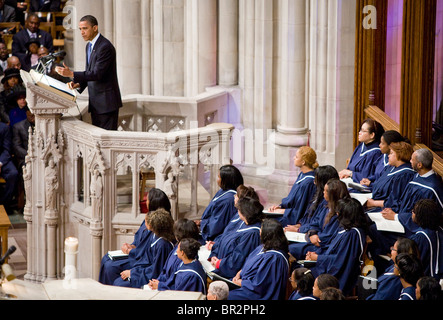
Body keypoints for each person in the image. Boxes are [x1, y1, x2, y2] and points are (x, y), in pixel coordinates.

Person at [55, 15, 122, 131]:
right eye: (80, 29)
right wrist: (79, 84)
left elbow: (97, 74)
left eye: (85, 28)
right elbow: (90, 72)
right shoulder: (89, 46)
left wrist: (71, 74)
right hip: (97, 104)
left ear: (95, 28)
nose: (82, 32)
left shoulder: (105, 46)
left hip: (106, 104)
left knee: (105, 142)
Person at [98, 188, 171, 285]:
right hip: (139, 258)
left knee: (113, 272)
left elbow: (154, 266)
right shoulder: (149, 220)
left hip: (143, 264)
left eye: (147, 199)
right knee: (106, 260)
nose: (146, 201)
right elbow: (140, 242)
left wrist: (131, 256)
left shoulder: (161, 235)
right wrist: (132, 246)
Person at [308, 197, 369, 296]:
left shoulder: (353, 235)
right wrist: (316, 254)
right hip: (329, 265)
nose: (337, 214)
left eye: (339, 212)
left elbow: (342, 261)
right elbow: (331, 248)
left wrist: (318, 258)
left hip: (340, 275)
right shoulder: (345, 229)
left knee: (304, 278)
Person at [228, 218, 289, 300]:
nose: (260, 232)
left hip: (256, 294)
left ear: (268, 234)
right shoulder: (262, 247)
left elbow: (261, 285)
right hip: (245, 285)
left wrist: (241, 283)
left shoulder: (275, 258)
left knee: (225, 296)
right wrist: (240, 273)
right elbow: (248, 263)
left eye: (261, 230)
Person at [289, 179, 350, 260]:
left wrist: (311, 236)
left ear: (333, 194)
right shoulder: (326, 206)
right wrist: (312, 233)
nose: (323, 192)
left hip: (323, 248)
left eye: (326, 191)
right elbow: (315, 223)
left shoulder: (339, 213)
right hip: (313, 240)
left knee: (290, 249)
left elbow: (328, 238)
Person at [114, 208, 175, 288]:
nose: (145, 223)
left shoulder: (162, 245)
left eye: (146, 221)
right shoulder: (154, 235)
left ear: (153, 226)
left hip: (150, 277)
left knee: (119, 284)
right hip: (142, 268)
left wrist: (133, 273)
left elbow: (156, 270)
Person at [208, 196, 263, 278]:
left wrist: (220, 263)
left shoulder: (252, 234)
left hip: (233, 275)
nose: (237, 212)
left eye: (239, 210)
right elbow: (224, 237)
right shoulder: (242, 223)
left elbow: (239, 258)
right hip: (219, 263)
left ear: (245, 213)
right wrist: (214, 254)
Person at [267, 146, 318, 227]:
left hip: (293, 219)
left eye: (297, 157)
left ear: (303, 162)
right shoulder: (302, 175)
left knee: (267, 223)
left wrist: (283, 211)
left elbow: (300, 211)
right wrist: (279, 207)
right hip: (289, 213)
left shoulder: (308, 183)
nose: (294, 158)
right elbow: (292, 200)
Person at [147, 218, 199, 291]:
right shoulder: (176, 248)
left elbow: (177, 286)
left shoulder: (187, 258)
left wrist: (160, 286)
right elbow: (164, 271)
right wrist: (156, 282)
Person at [284, 165, 339, 233]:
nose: (314, 182)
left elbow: (317, 224)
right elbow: (307, 217)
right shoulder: (318, 196)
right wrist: (299, 225)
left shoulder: (327, 202)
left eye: (317, 179)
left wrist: (299, 229)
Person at [198, 164, 244, 242]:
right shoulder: (223, 191)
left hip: (215, 239)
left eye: (219, 177)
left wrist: (202, 225)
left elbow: (216, 227)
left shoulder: (228, 201)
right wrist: (201, 222)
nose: (217, 179)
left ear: (226, 180)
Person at [366, 141, 415, 210]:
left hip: (386, 210)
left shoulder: (405, 175)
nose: (388, 155)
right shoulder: (391, 168)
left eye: (391, 153)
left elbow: (396, 201)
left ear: (400, 155)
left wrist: (374, 203)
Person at [339, 119, 384, 183]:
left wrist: (350, 173)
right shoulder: (361, 146)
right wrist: (345, 173)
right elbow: (350, 167)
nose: (359, 133)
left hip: (362, 185)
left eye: (363, 131)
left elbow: (367, 176)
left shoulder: (376, 153)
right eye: (360, 130)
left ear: (372, 135)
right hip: (350, 180)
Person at [409, 199, 443, 280]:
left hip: (428, 280)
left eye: (413, 211)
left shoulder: (420, 238)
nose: (411, 212)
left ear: (420, 216)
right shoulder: (440, 230)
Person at [0, 120, 18, 214]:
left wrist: (0, 163)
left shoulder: (4, 128)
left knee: (13, 173)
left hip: (2, 159)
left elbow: (7, 149)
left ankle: (4, 204)